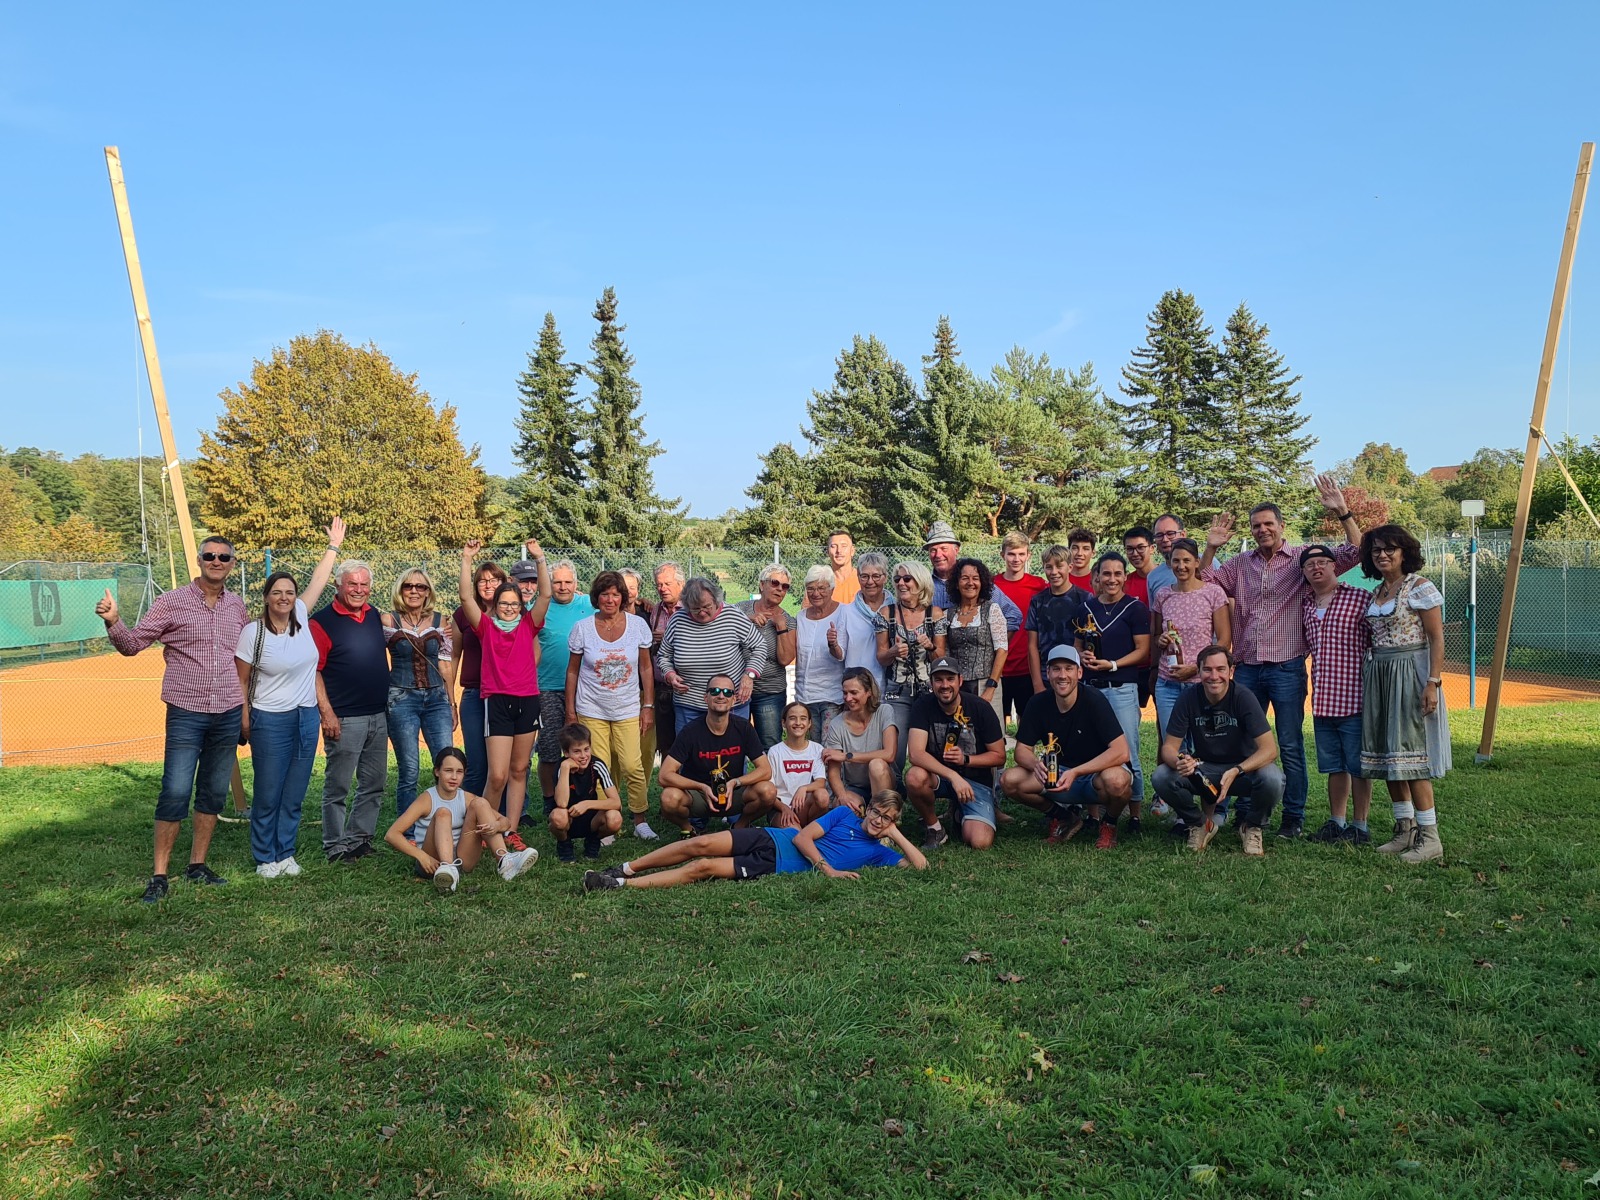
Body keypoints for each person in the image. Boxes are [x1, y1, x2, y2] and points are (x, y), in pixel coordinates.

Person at [1200, 473, 1360, 839]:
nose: (1262, 530)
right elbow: (1204, 581)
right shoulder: (1240, 564)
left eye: (1268, 524)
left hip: (1287, 667)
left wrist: (1343, 512)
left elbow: (1356, 552)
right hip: (1247, 669)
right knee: (1244, 742)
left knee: (1289, 743)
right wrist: (1210, 548)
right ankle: (1247, 811)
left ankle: (1293, 817)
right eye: (1256, 526)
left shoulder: (1304, 559)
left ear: (1281, 526)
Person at [99, 534, 257, 902]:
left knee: (213, 792)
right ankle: (159, 875)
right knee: (175, 790)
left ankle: (197, 865)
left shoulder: (237, 607)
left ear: (232, 564)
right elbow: (133, 644)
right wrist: (114, 622)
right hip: (187, 711)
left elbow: (244, 661)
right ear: (199, 561)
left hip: (227, 711)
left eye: (224, 557)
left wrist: (245, 707)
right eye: (209, 555)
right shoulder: (171, 602)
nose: (216, 561)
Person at [234, 522, 344, 879]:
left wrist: (333, 546)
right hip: (269, 720)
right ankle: (265, 857)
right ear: (267, 597)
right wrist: (245, 719)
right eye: (277, 592)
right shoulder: (253, 633)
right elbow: (241, 680)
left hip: (305, 717)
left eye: (290, 592)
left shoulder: (300, 615)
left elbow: (318, 581)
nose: (284, 597)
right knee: (269, 792)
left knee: (295, 792)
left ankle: (285, 853)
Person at [582, 790, 926, 891]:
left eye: (887, 819)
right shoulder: (843, 815)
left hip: (775, 863)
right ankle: (626, 867)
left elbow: (920, 867)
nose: (878, 821)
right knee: (699, 844)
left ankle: (619, 885)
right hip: (773, 836)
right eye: (876, 813)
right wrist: (828, 870)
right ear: (867, 808)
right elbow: (804, 837)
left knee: (703, 867)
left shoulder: (877, 853)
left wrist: (895, 834)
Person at [1359, 525, 1450, 864]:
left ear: (1404, 552)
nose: (1382, 555)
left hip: (1410, 673)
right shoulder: (1378, 591)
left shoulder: (1419, 586)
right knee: (1388, 754)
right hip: (1380, 675)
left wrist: (1432, 682)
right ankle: (1405, 828)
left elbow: (1436, 638)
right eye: (1376, 550)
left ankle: (1430, 837)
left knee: (1412, 756)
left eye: (1390, 549)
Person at [457, 538, 550, 843]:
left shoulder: (528, 625)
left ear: (521, 606)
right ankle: (484, 830)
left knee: (519, 770)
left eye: (514, 604)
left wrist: (539, 559)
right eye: (503, 603)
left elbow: (545, 594)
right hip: (497, 702)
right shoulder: (486, 627)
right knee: (497, 775)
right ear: (495, 606)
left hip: (528, 702)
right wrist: (467, 559)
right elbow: (466, 597)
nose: (509, 608)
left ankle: (510, 830)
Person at [1152, 646, 1285, 857]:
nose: (1214, 676)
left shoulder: (1243, 697)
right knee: (1161, 776)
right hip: (1206, 769)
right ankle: (1200, 824)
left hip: (1243, 771)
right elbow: (1169, 747)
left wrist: (1237, 770)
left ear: (1231, 671)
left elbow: (1269, 749)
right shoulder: (1188, 697)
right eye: (1207, 669)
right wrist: (1180, 761)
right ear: (1198, 671)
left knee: (1273, 778)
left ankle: (1252, 826)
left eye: (1221, 669)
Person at [1000, 646, 1133, 845]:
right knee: (1009, 780)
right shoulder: (1037, 703)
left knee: (1118, 781)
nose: (1062, 675)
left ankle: (1109, 824)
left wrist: (1077, 772)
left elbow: (1121, 751)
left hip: (1094, 775)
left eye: (1069, 668)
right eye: (1056, 669)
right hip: (1057, 775)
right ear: (1048, 673)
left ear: (1079, 673)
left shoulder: (1094, 700)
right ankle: (1063, 817)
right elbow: (1021, 750)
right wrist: (1035, 764)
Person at [311, 557, 391, 864]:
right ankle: (334, 845)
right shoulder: (321, 621)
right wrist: (327, 713)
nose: (358, 590)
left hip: (377, 714)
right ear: (338, 585)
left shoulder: (374, 616)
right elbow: (314, 671)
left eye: (364, 584)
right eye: (352, 584)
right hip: (344, 717)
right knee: (339, 785)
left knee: (374, 782)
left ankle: (359, 839)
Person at [564, 570, 655, 839]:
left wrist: (648, 706)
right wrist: (570, 711)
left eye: (616, 594)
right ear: (597, 597)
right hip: (591, 707)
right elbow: (572, 671)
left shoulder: (638, 626)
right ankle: (605, 820)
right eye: (605, 594)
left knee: (632, 765)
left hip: (627, 707)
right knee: (599, 766)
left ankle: (640, 819)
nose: (610, 599)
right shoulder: (582, 628)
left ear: (623, 597)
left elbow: (646, 668)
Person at [383, 747, 538, 893]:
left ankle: (505, 860)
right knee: (443, 813)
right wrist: (421, 856)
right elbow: (392, 834)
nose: (454, 777)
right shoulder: (427, 799)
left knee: (480, 803)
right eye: (448, 771)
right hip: (432, 861)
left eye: (459, 772)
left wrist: (496, 825)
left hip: (462, 859)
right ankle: (447, 868)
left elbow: (506, 822)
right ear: (437, 772)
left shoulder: (465, 797)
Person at [1301, 545, 1374, 846]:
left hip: (1355, 697)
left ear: (1334, 565)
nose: (1316, 568)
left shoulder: (1359, 598)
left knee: (1358, 766)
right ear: (1304, 572)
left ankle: (1360, 826)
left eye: (1322, 562)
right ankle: (1337, 821)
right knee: (1334, 766)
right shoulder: (1305, 605)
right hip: (1324, 701)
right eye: (1310, 565)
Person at [1075, 551, 1151, 836]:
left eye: (1118, 573)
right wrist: (1082, 657)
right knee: (1090, 749)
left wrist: (1114, 664)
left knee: (1128, 751)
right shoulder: (1086, 608)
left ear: (1124, 576)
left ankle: (1135, 815)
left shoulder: (1135, 608)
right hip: (1091, 689)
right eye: (1106, 573)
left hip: (1121, 688)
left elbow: (1143, 650)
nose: (1112, 579)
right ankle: (1093, 814)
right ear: (1097, 576)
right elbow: (1077, 644)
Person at [903, 657, 1007, 850]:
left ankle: (960, 813)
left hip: (975, 781)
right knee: (914, 776)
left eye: (950, 679)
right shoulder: (922, 705)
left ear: (960, 680)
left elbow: (1000, 755)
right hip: (939, 777)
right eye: (938, 680)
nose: (945, 685)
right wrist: (953, 776)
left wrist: (966, 759)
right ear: (931, 683)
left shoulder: (980, 707)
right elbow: (915, 754)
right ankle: (934, 828)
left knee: (980, 841)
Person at [1150, 538, 1231, 781]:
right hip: (1168, 684)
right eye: (1176, 561)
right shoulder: (1163, 595)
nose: (1181, 566)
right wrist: (1161, 640)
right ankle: (1181, 799)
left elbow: (1224, 640)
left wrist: (1196, 668)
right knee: (1174, 747)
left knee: (1209, 744)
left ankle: (1214, 796)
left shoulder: (1212, 593)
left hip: (1203, 684)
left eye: (1187, 560)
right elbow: (1155, 637)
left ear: (1197, 562)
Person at [657, 674, 778, 834]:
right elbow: (664, 775)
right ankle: (689, 830)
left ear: (733, 700)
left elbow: (765, 770)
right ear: (705, 698)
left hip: (732, 792)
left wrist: (735, 782)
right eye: (715, 691)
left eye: (727, 692)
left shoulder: (743, 728)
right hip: (698, 795)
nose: (721, 696)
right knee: (669, 798)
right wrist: (701, 787)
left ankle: (740, 826)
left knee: (768, 791)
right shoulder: (690, 731)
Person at [384, 567, 457, 820]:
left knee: (448, 763)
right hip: (401, 699)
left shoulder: (440, 621)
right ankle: (407, 829)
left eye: (420, 587)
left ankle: (448, 820)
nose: (414, 591)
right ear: (400, 590)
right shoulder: (388, 620)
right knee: (409, 769)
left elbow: (445, 663)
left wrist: (452, 703)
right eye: (408, 586)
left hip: (437, 699)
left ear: (428, 592)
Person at [658, 578, 769, 735]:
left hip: (730, 704)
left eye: (706, 607)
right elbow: (663, 655)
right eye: (695, 609)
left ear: (716, 601)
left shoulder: (732, 616)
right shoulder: (678, 620)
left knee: (733, 748)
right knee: (689, 749)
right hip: (689, 703)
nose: (702, 612)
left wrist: (749, 675)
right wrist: (670, 675)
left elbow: (759, 645)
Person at [874, 560, 949, 763]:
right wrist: (893, 651)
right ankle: (895, 783)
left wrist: (930, 647)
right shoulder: (886, 613)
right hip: (897, 690)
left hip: (929, 690)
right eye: (897, 579)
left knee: (933, 747)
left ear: (920, 581)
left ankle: (932, 781)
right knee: (894, 750)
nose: (901, 583)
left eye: (907, 578)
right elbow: (881, 658)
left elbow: (940, 659)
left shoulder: (935, 614)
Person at [535, 558, 593, 812]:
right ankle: (550, 800)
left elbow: (619, 603)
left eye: (568, 581)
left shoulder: (588, 604)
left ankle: (585, 794)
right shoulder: (539, 607)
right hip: (547, 688)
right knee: (549, 747)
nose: (562, 586)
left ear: (576, 584)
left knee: (584, 746)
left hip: (584, 688)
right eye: (557, 582)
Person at [454, 559, 508, 798]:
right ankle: (470, 813)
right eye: (482, 581)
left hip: (504, 694)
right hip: (474, 694)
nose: (488, 585)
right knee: (476, 764)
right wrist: (450, 698)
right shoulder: (463, 614)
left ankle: (507, 814)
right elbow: (454, 656)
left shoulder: (513, 612)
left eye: (494, 580)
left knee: (505, 765)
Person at [734, 564, 797, 750]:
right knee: (734, 742)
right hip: (736, 688)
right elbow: (722, 631)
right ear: (762, 585)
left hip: (769, 692)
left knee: (770, 745)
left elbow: (785, 660)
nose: (780, 589)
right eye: (775, 583)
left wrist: (781, 627)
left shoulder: (789, 620)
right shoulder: (740, 609)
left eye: (785, 586)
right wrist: (748, 619)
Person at [821, 668, 898, 812]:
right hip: (855, 788)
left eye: (854, 692)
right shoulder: (837, 724)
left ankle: (883, 815)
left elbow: (889, 754)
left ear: (869, 692)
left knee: (877, 765)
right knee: (842, 806)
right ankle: (865, 815)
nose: (848, 698)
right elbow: (834, 772)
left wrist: (846, 756)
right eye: (845, 693)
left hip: (884, 780)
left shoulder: (884, 711)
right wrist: (842, 796)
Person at [945, 556, 1010, 724]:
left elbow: (1002, 651)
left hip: (985, 684)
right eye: (965, 578)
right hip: (957, 687)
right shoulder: (948, 614)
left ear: (982, 583)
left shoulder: (992, 610)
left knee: (989, 731)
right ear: (956, 583)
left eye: (975, 578)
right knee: (960, 731)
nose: (970, 583)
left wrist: (991, 687)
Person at [923, 521, 1021, 631]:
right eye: (933, 550)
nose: (938, 555)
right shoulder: (923, 585)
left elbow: (1013, 615)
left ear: (956, 550)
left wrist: (996, 640)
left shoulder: (975, 582)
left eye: (943, 548)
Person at [549, 723, 625, 862]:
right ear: (566, 753)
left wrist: (587, 804)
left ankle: (593, 840)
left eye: (586, 749)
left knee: (615, 818)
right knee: (557, 816)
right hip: (569, 817)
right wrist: (565, 768)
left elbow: (616, 802)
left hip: (591, 819)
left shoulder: (597, 765)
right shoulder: (561, 766)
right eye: (577, 751)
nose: (583, 756)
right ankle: (564, 843)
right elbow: (561, 803)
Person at [993, 531, 1047, 726]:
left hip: (1027, 668)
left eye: (1021, 554)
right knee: (996, 723)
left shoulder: (1038, 585)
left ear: (1028, 555)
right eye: (1011, 554)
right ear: (1003, 555)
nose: (1016, 559)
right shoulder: (992, 585)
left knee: (1028, 724)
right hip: (999, 667)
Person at [1026, 544, 1091, 694]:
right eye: (1049, 567)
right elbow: (1032, 646)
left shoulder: (1085, 599)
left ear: (1070, 567)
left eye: (1059, 566)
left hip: (1078, 676)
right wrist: (1037, 684)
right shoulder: (1037, 601)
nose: (1054, 572)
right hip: (1047, 676)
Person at [794, 564, 849, 732]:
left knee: (828, 744)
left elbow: (841, 655)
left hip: (832, 696)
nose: (815, 593)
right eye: (810, 588)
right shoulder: (801, 617)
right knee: (811, 745)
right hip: (805, 696)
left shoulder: (844, 612)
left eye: (821, 588)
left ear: (832, 589)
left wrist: (833, 644)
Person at [644, 562, 686, 767]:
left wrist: (669, 638)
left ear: (681, 584)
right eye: (659, 585)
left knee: (687, 742)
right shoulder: (656, 610)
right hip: (662, 688)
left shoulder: (692, 608)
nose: (662, 589)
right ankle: (670, 783)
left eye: (667, 584)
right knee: (666, 744)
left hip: (686, 686)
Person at [766, 702, 832, 827]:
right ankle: (804, 832)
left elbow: (820, 782)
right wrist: (784, 808)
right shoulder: (775, 751)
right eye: (792, 718)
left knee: (822, 795)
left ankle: (809, 829)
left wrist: (803, 788)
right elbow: (769, 790)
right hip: (781, 809)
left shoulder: (817, 749)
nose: (798, 723)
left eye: (803, 718)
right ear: (783, 723)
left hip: (804, 806)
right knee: (794, 834)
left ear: (809, 723)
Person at [837, 552, 890, 695]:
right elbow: (840, 654)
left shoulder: (896, 610)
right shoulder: (847, 611)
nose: (870, 582)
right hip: (857, 690)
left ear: (885, 577)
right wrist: (832, 644)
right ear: (858, 577)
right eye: (864, 576)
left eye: (876, 576)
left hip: (889, 688)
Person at [1147, 514, 1186, 610]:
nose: (1165, 539)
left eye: (1170, 534)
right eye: (1159, 535)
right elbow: (1155, 615)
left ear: (1183, 535)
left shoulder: (1206, 562)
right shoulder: (1153, 577)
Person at [825, 529, 860, 603]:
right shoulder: (820, 581)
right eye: (834, 546)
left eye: (844, 546)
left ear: (852, 551)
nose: (839, 551)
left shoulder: (864, 580)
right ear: (828, 552)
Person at [1066, 529, 1096, 593]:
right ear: (1068, 551)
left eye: (1086, 549)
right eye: (1075, 548)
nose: (1079, 553)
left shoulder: (1098, 581)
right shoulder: (1060, 579)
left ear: (1093, 553)